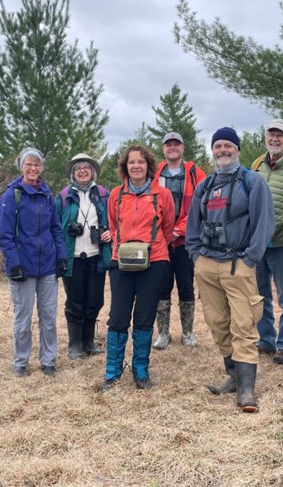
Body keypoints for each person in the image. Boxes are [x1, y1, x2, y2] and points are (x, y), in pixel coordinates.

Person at [186, 127, 275, 413]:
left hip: (239, 263)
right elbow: (192, 224)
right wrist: (196, 255)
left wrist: (251, 258)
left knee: (244, 324)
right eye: (218, 146)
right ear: (212, 150)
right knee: (217, 322)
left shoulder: (253, 182)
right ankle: (234, 377)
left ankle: (247, 390)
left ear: (237, 149)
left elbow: (264, 224)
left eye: (228, 145)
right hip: (208, 264)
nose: (222, 150)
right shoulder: (206, 185)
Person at [101, 145, 175, 390]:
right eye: (132, 162)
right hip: (121, 261)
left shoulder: (162, 195)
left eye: (141, 162)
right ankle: (113, 372)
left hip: (154, 261)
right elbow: (112, 226)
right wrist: (122, 245)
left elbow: (168, 228)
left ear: (149, 166)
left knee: (144, 316)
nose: (136, 166)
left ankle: (141, 370)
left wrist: (151, 246)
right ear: (125, 166)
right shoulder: (116, 195)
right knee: (118, 317)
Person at [0, 147, 66, 378]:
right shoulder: (11, 196)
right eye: (29, 164)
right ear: (21, 167)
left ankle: (48, 360)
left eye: (37, 164)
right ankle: (20, 361)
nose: (33, 168)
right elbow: (5, 236)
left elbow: (56, 229)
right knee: (23, 319)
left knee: (48, 317)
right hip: (22, 269)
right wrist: (14, 263)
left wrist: (62, 256)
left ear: (42, 168)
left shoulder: (48, 195)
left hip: (47, 266)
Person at [251, 119, 283, 365]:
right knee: (261, 297)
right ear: (265, 138)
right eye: (271, 134)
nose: (275, 139)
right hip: (259, 245)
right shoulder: (256, 165)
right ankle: (266, 341)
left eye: (280, 135)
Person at [152, 132, 206, 350]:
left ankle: (187, 332)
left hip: (186, 242)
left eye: (176, 144)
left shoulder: (195, 174)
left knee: (186, 286)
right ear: (163, 149)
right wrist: (165, 232)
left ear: (183, 148)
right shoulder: (154, 174)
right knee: (161, 287)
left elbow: (200, 206)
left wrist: (178, 230)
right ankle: (163, 334)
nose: (172, 147)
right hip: (161, 242)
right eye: (168, 144)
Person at [56, 152, 112, 359]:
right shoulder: (63, 196)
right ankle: (74, 345)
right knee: (74, 301)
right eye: (78, 167)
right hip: (73, 257)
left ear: (93, 172)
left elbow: (112, 220)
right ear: (73, 173)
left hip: (96, 255)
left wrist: (109, 232)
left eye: (87, 167)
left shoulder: (103, 195)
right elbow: (55, 226)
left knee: (95, 300)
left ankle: (88, 342)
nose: (82, 170)